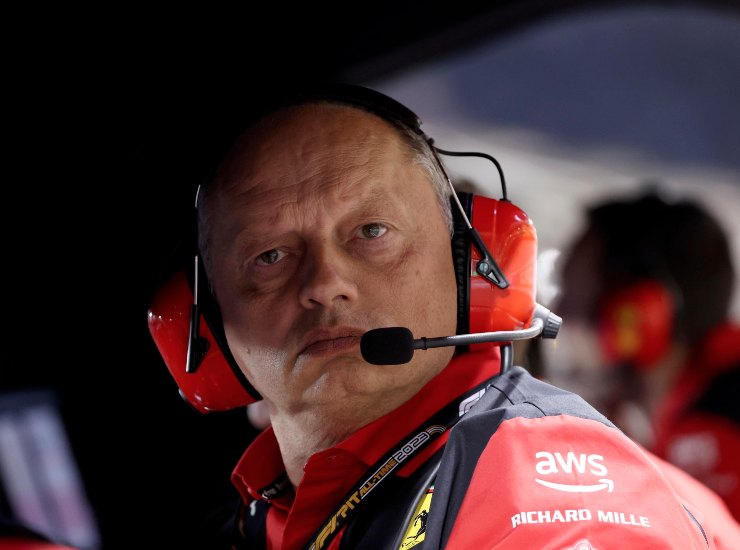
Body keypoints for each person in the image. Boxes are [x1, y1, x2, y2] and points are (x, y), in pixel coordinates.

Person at [147, 84, 722, 549]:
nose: (324, 284)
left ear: (471, 268)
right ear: (203, 320)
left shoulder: (545, 499)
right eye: (270, 256)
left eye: (372, 232)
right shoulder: (253, 519)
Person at [549, 189, 740, 522]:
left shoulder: (718, 432)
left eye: (574, 298)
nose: (558, 313)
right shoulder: (690, 412)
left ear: (636, 313)